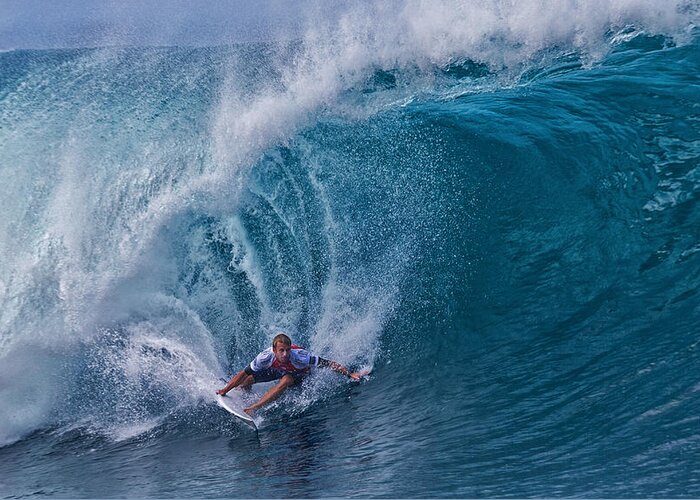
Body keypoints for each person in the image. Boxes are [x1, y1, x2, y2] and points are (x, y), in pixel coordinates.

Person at [216, 333, 366, 416]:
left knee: (287, 379)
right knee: (247, 379)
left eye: (287, 350)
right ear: (274, 350)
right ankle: (242, 392)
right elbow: (244, 372)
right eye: (281, 350)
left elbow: (327, 363)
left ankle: (254, 407)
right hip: (278, 371)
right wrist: (225, 390)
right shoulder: (265, 356)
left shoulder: (300, 356)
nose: (285, 353)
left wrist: (349, 373)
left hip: (299, 376)